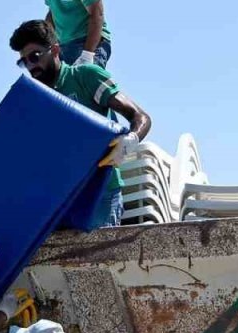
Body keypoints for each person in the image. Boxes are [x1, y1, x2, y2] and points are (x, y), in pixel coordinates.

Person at [11, 19, 152, 228]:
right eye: (24, 62)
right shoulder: (37, 99)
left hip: (100, 195)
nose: (31, 66)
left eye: (35, 57)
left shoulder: (86, 77)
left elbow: (140, 117)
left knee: (103, 261)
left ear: (56, 50)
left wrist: (129, 142)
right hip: (61, 199)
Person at [44, 0, 111, 67]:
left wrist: (87, 54)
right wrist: (45, 42)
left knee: (86, 76)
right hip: (62, 46)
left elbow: (97, 14)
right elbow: (52, 11)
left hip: (88, 42)